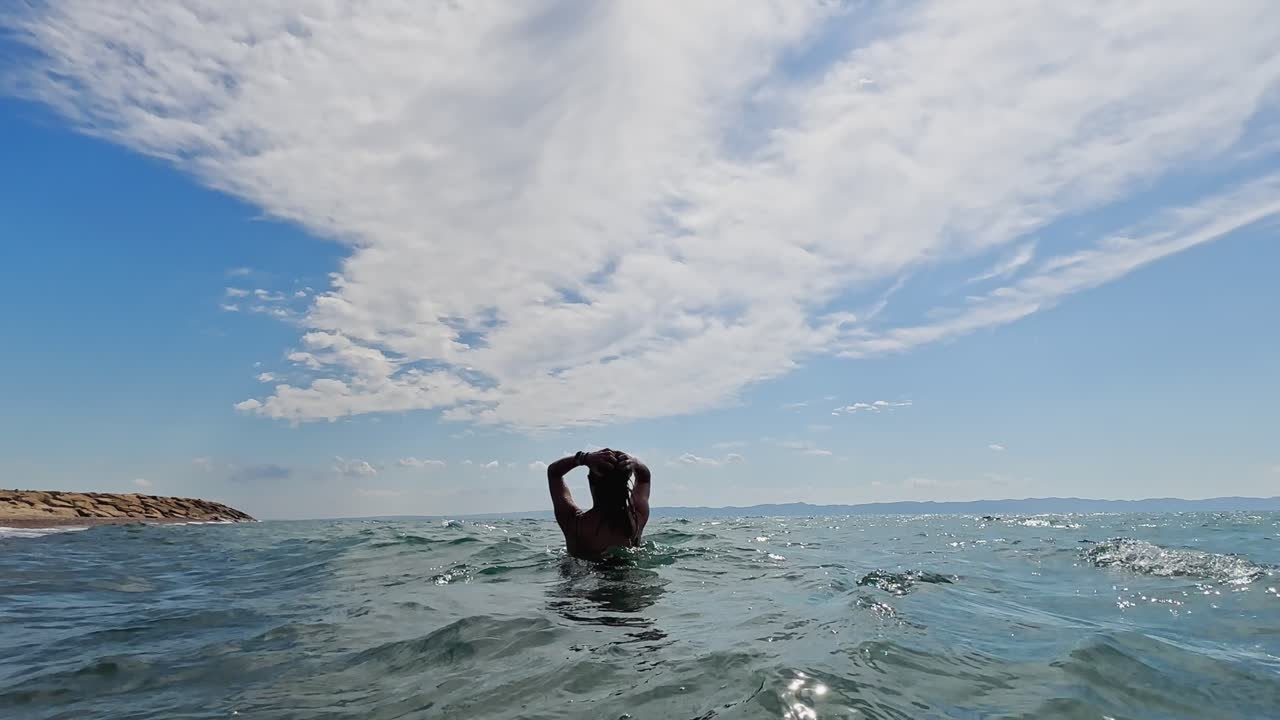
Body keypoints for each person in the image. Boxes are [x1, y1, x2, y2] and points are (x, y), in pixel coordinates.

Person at [544, 448, 651, 560]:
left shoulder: (574, 524)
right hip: (631, 576)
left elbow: (553, 473)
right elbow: (644, 478)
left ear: (590, 482)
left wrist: (584, 458)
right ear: (625, 483)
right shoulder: (637, 519)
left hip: (585, 575)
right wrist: (633, 462)